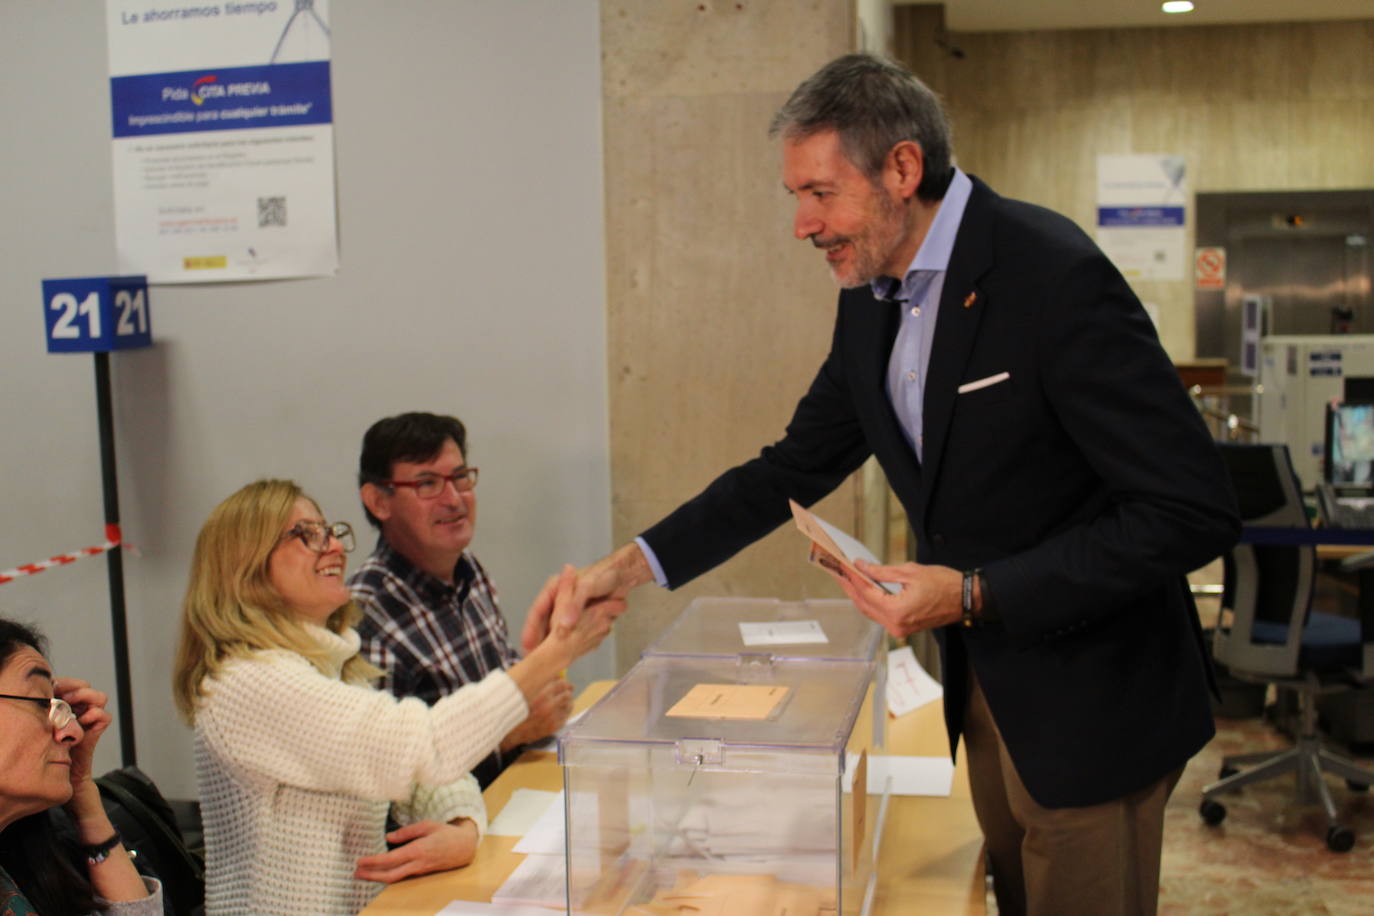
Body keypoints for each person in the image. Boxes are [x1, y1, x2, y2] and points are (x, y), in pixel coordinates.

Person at [523, 53, 1240, 915]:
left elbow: (1189, 507)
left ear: (902, 168)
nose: (800, 225)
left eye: (818, 194)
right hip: (990, 692)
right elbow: (791, 466)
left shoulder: (1052, 275)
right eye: (795, 197)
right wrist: (625, 569)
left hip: (1097, 702)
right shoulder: (870, 293)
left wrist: (973, 593)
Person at [171, 479, 611, 915]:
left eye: (330, 531)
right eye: (306, 535)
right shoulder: (249, 683)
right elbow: (424, 746)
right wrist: (556, 652)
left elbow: (424, 775)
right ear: (244, 565)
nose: (334, 548)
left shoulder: (329, 661)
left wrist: (462, 826)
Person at [349, 412, 571, 789]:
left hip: (516, 790)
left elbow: (499, 679)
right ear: (378, 501)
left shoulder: (469, 571)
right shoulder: (366, 615)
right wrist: (505, 736)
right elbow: (386, 784)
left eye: (460, 478)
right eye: (427, 484)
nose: (454, 500)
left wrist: (543, 667)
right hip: (453, 830)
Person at [0, 617, 162, 915]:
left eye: (63, 708)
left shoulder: (20, 861)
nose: (73, 732)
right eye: (41, 703)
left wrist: (83, 794)